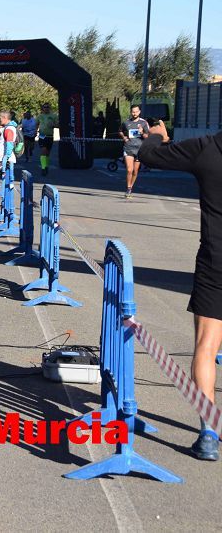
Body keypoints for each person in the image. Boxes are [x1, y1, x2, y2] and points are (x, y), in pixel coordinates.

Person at [138, 122, 222, 460]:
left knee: (205, 347)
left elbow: (148, 155)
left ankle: (208, 433)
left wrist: (158, 134)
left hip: (216, 261)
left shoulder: (205, 148)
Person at [120, 105, 151, 199]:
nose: (134, 113)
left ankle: (131, 186)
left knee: (135, 171)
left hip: (139, 149)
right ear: (131, 112)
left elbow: (147, 137)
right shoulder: (126, 122)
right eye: (133, 112)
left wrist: (142, 133)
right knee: (129, 170)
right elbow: (120, 131)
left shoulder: (144, 123)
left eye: (136, 112)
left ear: (139, 112)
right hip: (128, 148)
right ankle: (128, 188)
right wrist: (124, 137)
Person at [0, 111, 18, 177]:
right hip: (2, 154)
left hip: (2, 155)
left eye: (0, 118)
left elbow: (9, 143)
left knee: (2, 176)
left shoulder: (9, 128)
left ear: (5, 118)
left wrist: (6, 157)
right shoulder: (7, 127)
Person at [36, 102, 58, 176]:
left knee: (47, 153)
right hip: (42, 135)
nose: (46, 108)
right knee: (43, 151)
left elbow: (58, 125)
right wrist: (35, 131)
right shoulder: (40, 116)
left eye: (47, 107)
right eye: (45, 107)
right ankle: (43, 168)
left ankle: (46, 166)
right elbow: (36, 124)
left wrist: (54, 125)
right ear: (43, 108)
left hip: (50, 136)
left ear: (50, 108)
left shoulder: (54, 116)